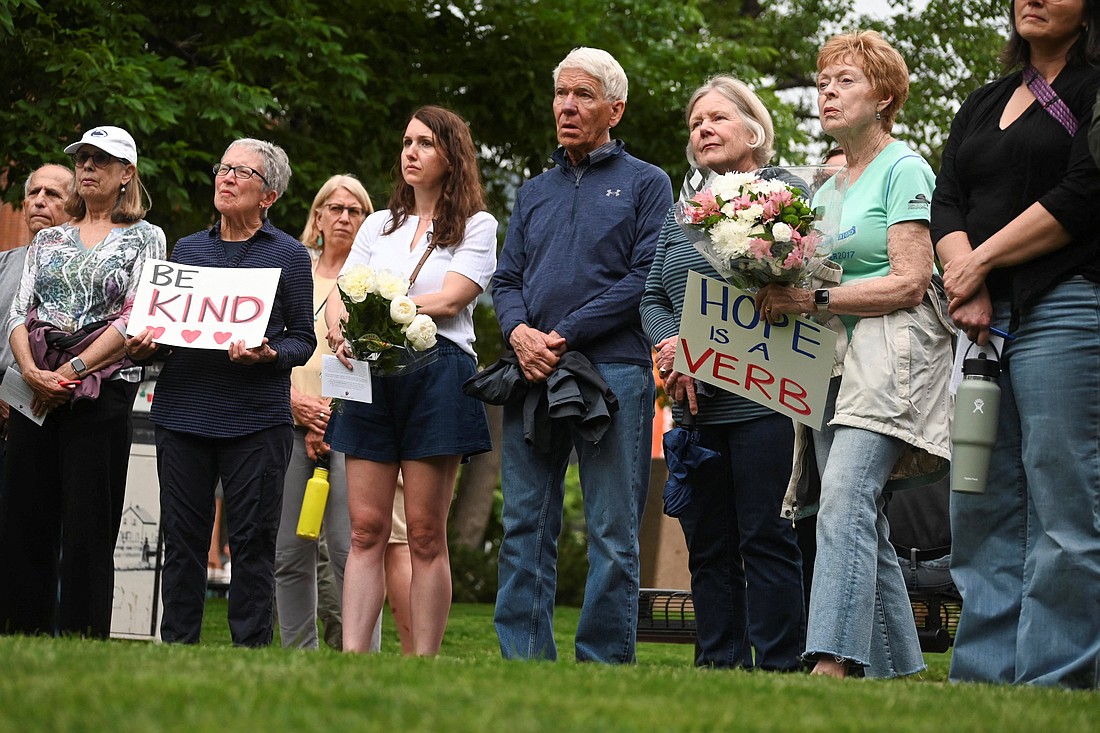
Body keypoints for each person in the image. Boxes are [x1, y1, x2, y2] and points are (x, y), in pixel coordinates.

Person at [755, 31, 953, 678]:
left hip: (892, 359)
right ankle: (904, 676)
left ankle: (830, 661)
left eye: (845, 81)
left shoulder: (905, 167)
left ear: (886, 96)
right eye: (823, 82)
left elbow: (910, 280)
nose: (827, 92)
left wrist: (809, 299)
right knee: (859, 515)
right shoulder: (827, 189)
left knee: (843, 498)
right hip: (830, 366)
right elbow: (811, 278)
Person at [935, 0, 1100, 688]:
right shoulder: (984, 98)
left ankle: (1055, 677)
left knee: (1064, 500)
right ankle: (983, 676)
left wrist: (981, 262)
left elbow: (1087, 190)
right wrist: (963, 277)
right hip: (981, 322)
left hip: (1066, 303)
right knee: (978, 501)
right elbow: (947, 197)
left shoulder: (1092, 89)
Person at [491, 47, 673, 664]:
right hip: (532, 371)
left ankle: (602, 664)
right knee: (522, 526)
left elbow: (644, 276)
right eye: (561, 93)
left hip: (614, 370)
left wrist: (560, 334)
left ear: (614, 109)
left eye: (584, 95)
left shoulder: (648, 183)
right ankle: (523, 661)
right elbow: (506, 278)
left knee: (612, 533)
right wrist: (519, 333)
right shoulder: (533, 191)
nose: (567, 106)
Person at [640, 75, 803, 670]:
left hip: (766, 399)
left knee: (766, 537)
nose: (703, 129)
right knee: (709, 546)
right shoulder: (681, 213)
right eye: (695, 124)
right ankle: (718, 667)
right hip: (696, 403)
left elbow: (805, 276)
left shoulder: (788, 197)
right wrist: (672, 344)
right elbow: (653, 297)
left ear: (754, 128)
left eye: (716, 119)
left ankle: (782, 666)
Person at [127, 138, 315, 647]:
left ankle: (250, 652)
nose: (225, 178)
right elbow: (170, 335)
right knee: (183, 543)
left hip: (255, 420)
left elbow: (302, 340)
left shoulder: (291, 256)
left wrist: (269, 354)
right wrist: (146, 346)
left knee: (253, 543)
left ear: (269, 195)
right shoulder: (188, 250)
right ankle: (178, 648)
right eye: (222, 168)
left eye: (241, 172)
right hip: (182, 414)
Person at [325, 105, 496, 656]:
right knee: (365, 529)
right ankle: (354, 655)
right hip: (372, 375)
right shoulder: (379, 224)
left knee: (424, 533)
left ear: (451, 154)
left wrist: (376, 312)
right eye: (406, 142)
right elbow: (341, 294)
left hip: (436, 371)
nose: (411, 153)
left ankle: (424, 659)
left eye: (424, 143)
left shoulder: (478, 225)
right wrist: (338, 329)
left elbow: (450, 298)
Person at [0, 127, 165, 638]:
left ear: (126, 174)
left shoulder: (146, 236)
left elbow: (136, 316)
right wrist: (31, 372)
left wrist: (73, 371)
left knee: (90, 527)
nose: (88, 167)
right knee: (25, 518)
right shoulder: (48, 237)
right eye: (83, 159)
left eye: (101, 159)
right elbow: (20, 313)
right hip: (35, 385)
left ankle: (82, 639)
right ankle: (23, 634)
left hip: (102, 390)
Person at [274, 174, 374, 650]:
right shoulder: (291, 271)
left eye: (355, 211)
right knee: (290, 551)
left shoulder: (372, 282)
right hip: (288, 420)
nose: (343, 217)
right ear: (317, 216)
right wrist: (297, 406)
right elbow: (270, 343)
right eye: (334, 208)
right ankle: (298, 657)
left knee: (350, 550)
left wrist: (330, 414)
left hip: (350, 428)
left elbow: (374, 355)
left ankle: (361, 657)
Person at [0, 165, 74, 490]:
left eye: (53, 194)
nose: (39, 201)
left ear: (76, 205)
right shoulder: (3, 265)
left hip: (51, 409)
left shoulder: (83, 273)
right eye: (34, 192)